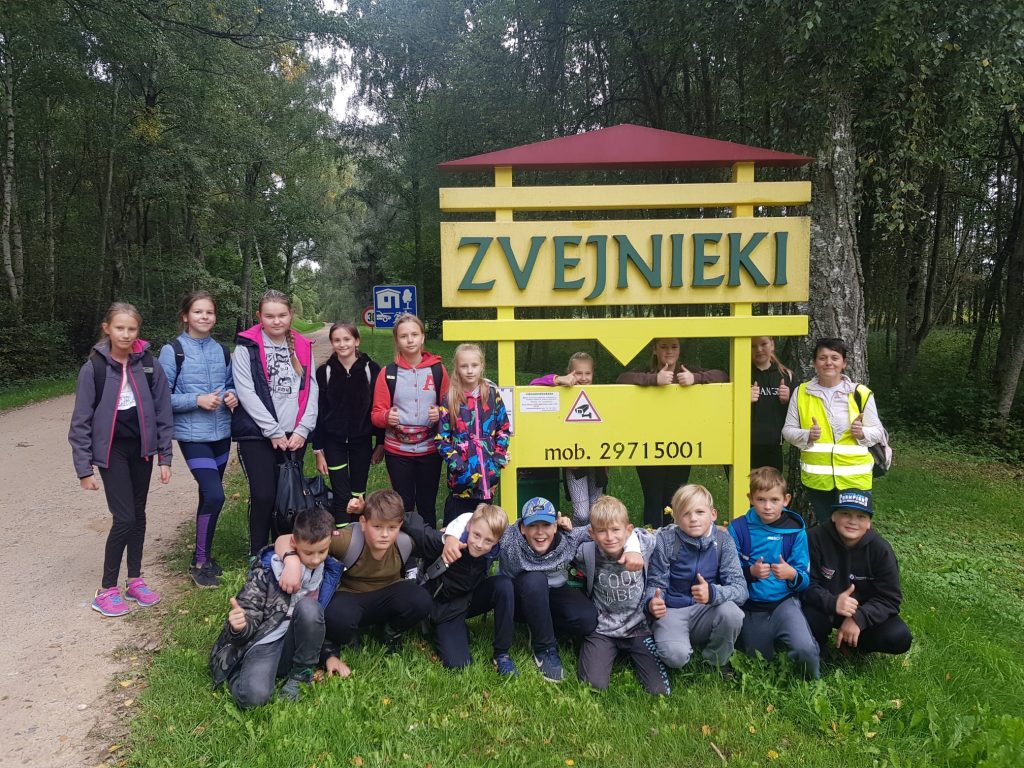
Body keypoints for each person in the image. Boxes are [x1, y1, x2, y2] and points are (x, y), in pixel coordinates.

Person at [445, 496, 644, 683]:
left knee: (587, 619)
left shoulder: (569, 537)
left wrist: (633, 549)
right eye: (533, 526)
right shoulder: (509, 538)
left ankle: (542, 626)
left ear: (555, 526)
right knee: (535, 580)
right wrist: (452, 536)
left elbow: (613, 528)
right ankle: (544, 649)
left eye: (546, 525)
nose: (540, 532)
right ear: (523, 528)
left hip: (554, 592)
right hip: (518, 598)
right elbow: (475, 520)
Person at [69, 302, 174, 617]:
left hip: (141, 450)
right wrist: (83, 468)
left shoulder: (150, 365)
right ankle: (106, 589)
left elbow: (163, 412)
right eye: (120, 328)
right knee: (125, 518)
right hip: (111, 452)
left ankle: (135, 580)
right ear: (107, 329)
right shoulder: (94, 369)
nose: (126, 334)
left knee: (138, 516)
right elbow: (80, 422)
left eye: (132, 329)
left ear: (138, 331)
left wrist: (165, 456)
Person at [276, 489, 433, 671]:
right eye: (377, 527)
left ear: (400, 526)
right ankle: (349, 637)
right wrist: (291, 561)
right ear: (363, 523)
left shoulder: (406, 541)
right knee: (335, 617)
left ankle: (390, 630)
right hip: (351, 595)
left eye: (392, 528)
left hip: (391, 591)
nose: (385, 534)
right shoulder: (348, 540)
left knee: (421, 600)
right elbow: (285, 539)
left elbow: (438, 543)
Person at [209, 508, 341, 707]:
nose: (315, 559)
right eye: (308, 552)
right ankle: (241, 672)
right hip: (266, 643)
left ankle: (301, 674)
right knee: (252, 699)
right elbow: (249, 612)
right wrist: (239, 627)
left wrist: (330, 654)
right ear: (294, 543)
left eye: (322, 552)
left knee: (310, 608)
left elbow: (319, 622)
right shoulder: (267, 571)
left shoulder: (329, 572)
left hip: (295, 643)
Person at [158, 290, 238, 588]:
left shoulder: (222, 350)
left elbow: (231, 384)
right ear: (185, 316)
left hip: (221, 433)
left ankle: (203, 556)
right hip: (193, 436)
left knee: (209, 495)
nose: (205, 316)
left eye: (209, 312)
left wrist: (232, 396)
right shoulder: (173, 351)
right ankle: (200, 562)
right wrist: (197, 400)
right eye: (198, 312)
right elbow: (160, 397)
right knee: (216, 495)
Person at [231, 289, 318, 557]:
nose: (276, 321)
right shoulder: (246, 346)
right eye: (269, 316)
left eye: (282, 315)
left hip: (294, 434)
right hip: (258, 434)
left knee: (288, 495)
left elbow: (311, 388)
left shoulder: (303, 345)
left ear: (291, 315)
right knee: (264, 494)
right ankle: (258, 555)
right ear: (259, 316)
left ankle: (284, 552)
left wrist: (303, 429)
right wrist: (273, 431)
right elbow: (246, 392)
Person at [617, 338, 728, 527]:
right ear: (654, 349)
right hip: (649, 444)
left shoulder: (686, 370)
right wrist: (654, 380)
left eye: (674, 347)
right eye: (664, 347)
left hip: (681, 444)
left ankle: (673, 539)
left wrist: (695, 378)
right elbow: (622, 379)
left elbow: (722, 375)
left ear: (679, 349)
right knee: (653, 498)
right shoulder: (646, 370)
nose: (669, 351)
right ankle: (652, 538)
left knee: (675, 498)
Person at [644, 484, 747, 678]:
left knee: (732, 613)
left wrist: (713, 593)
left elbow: (741, 590)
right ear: (675, 517)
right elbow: (656, 583)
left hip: (706, 609)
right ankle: (674, 642)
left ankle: (716, 660)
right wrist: (652, 602)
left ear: (713, 514)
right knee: (675, 657)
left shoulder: (724, 541)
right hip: (672, 610)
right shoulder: (665, 540)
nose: (693, 518)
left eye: (700, 512)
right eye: (686, 513)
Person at [728, 467, 819, 678]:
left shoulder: (795, 531)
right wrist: (750, 572)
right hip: (751, 605)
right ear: (750, 499)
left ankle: (812, 682)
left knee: (806, 651)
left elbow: (805, 579)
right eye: (761, 500)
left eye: (774, 500)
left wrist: (791, 574)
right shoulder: (738, 528)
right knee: (759, 662)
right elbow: (728, 574)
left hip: (784, 602)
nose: (767, 506)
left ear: (786, 500)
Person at [782, 337, 885, 522]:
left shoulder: (860, 393)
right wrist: (807, 435)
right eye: (822, 358)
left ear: (844, 363)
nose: (828, 362)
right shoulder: (801, 392)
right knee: (828, 528)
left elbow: (878, 432)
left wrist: (862, 433)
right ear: (814, 363)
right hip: (819, 481)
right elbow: (788, 431)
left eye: (835, 357)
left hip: (855, 479)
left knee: (852, 529)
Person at [575, 496, 668, 696]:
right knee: (593, 686)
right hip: (603, 629)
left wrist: (633, 547)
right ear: (592, 533)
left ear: (628, 530)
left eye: (616, 530)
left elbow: (667, 534)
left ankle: (632, 652)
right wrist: (563, 523)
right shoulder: (585, 553)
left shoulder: (643, 544)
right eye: (602, 531)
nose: (610, 537)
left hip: (639, 627)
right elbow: (564, 540)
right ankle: (605, 654)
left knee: (659, 691)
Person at [407, 503, 515, 675]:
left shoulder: (492, 551)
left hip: (469, 599)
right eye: (476, 535)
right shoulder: (446, 542)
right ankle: (440, 630)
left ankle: (502, 654)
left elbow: (526, 535)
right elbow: (410, 520)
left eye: (488, 541)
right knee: (459, 665)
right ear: (468, 526)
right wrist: (447, 538)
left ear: (497, 541)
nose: (479, 544)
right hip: (445, 609)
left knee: (504, 585)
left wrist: (558, 525)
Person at [801, 490, 912, 657]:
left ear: (869, 523)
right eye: (845, 514)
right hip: (823, 606)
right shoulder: (813, 538)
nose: (853, 521)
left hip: (861, 609)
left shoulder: (881, 550)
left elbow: (890, 598)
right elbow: (804, 584)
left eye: (861, 516)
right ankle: (817, 649)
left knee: (898, 636)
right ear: (833, 516)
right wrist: (833, 602)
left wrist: (859, 618)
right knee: (806, 617)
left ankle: (854, 645)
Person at [371, 313, 449, 528]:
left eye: (414, 334)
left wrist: (440, 413)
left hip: (430, 450)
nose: (410, 340)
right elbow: (376, 414)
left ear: (422, 337)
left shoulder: (438, 370)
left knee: (427, 505)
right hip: (398, 452)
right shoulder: (388, 373)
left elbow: (451, 408)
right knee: (403, 506)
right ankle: (405, 547)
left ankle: (428, 546)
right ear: (397, 341)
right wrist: (386, 417)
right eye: (404, 336)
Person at [311, 322, 384, 525]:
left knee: (358, 494)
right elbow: (318, 412)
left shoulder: (371, 369)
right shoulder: (324, 372)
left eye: (347, 339)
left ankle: (359, 533)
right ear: (332, 343)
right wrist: (318, 450)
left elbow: (378, 408)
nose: (342, 344)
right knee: (341, 495)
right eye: (337, 340)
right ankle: (344, 537)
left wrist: (380, 443)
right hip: (333, 442)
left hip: (361, 441)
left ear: (356, 341)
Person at [437, 343, 511, 526]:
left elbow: (503, 429)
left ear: (481, 366)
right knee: (457, 525)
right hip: (461, 480)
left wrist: (497, 460)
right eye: (464, 366)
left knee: (483, 524)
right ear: (457, 368)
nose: (470, 371)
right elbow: (442, 439)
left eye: (474, 365)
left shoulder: (492, 395)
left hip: (487, 474)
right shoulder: (450, 398)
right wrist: (458, 465)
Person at [530, 352, 607, 525]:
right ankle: (575, 537)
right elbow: (533, 384)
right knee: (582, 514)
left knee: (596, 513)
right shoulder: (563, 391)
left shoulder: (601, 395)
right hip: (574, 462)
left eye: (588, 373)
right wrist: (558, 380)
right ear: (569, 372)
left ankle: (591, 541)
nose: (583, 378)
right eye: (578, 373)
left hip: (598, 464)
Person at [750, 336, 796, 473]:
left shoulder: (787, 375)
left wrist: (788, 400)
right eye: (753, 346)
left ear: (772, 345)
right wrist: (743, 401)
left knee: (771, 485)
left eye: (763, 344)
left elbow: (797, 415)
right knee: (746, 485)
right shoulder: (740, 374)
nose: (759, 349)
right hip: (746, 444)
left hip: (774, 445)